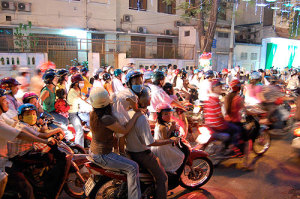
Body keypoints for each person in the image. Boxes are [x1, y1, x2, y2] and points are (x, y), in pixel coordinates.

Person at [0, 88, 55, 199]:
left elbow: (17, 125)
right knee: (26, 189)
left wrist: (40, 133)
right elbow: (19, 134)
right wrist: (44, 140)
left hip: (8, 158)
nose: (7, 102)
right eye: (3, 100)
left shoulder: (2, 116)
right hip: (3, 162)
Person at [89, 87, 142, 199]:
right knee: (133, 167)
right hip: (103, 155)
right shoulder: (107, 118)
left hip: (94, 152)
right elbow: (124, 130)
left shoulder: (93, 113)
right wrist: (136, 115)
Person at [126, 88, 179, 199]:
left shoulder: (129, 113)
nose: (150, 98)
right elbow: (150, 142)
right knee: (162, 177)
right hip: (141, 153)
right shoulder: (141, 118)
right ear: (143, 99)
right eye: (149, 96)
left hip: (129, 150)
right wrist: (170, 140)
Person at [203, 79, 241, 153]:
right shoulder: (215, 100)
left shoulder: (208, 99)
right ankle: (231, 148)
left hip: (209, 124)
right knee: (236, 129)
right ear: (214, 88)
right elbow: (221, 115)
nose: (221, 88)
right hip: (218, 125)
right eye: (219, 87)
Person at [151, 103, 185, 173]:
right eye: (166, 114)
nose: (169, 115)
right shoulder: (162, 126)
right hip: (163, 147)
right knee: (181, 156)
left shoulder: (163, 123)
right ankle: (170, 171)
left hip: (163, 145)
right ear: (160, 115)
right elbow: (165, 138)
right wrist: (171, 129)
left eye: (170, 113)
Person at [40, 70, 69, 134]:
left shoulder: (53, 88)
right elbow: (39, 102)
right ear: (50, 81)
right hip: (48, 112)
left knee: (66, 120)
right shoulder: (46, 91)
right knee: (64, 121)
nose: (57, 80)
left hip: (54, 110)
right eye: (55, 79)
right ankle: (65, 137)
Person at [67, 74, 86, 147]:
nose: (82, 83)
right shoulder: (72, 91)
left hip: (78, 113)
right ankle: (78, 149)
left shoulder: (77, 90)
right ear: (76, 83)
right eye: (80, 82)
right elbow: (81, 100)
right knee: (79, 131)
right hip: (73, 114)